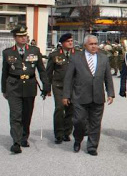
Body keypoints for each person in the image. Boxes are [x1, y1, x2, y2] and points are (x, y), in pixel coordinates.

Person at [62, 35, 115, 156]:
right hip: (80, 96)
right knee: (79, 121)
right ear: (85, 45)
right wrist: (66, 95)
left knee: (95, 123)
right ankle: (78, 139)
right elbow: (68, 78)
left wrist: (110, 93)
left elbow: (108, 77)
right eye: (91, 44)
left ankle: (92, 146)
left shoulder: (103, 58)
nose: (94, 46)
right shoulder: (76, 58)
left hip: (97, 96)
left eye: (96, 43)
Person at [2, 25, 50, 153]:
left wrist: (46, 85)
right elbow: (4, 72)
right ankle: (16, 143)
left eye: (25, 36)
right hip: (13, 86)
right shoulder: (8, 52)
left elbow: (41, 70)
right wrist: (4, 89)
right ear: (15, 38)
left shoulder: (35, 50)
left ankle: (24, 137)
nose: (23, 38)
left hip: (29, 85)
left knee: (26, 115)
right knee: (15, 115)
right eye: (20, 36)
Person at [45, 33, 76, 144]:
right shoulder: (55, 55)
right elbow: (48, 72)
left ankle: (67, 132)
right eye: (68, 41)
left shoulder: (77, 54)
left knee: (70, 110)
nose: (71, 43)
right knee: (59, 108)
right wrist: (47, 88)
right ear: (62, 43)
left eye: (72, 41)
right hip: (59, 86)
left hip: (73, 87)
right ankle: (58, 133)